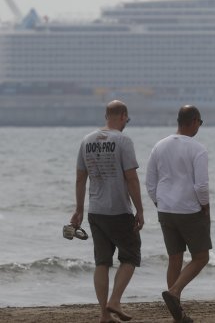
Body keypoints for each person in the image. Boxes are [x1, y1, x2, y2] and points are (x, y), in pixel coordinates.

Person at [70, 100, 144, 323]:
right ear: (122, 116)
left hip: (96, 210)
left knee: (102, 262)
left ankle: (104, 314)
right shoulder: (123, 140)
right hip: (119, 210)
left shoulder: (86, 140)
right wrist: (140, 210)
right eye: (127, 120)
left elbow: (80, 178)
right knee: (131, 255)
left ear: (106, 115)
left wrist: (78, 210)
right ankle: (115, 300)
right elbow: (131, 178)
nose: (126, 124)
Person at [146, 105, 210, 323]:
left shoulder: (159, 146)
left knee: (174, 259)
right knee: (201, 257)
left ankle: (177, 315)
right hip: (189, 209)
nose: (199, 127)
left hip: (165, 209)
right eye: (199, 123)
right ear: (193, 121)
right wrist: (205, 206)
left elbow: (150, 182)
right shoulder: (197, 149)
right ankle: (174, 293)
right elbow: (201, 186)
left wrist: (159, 201)